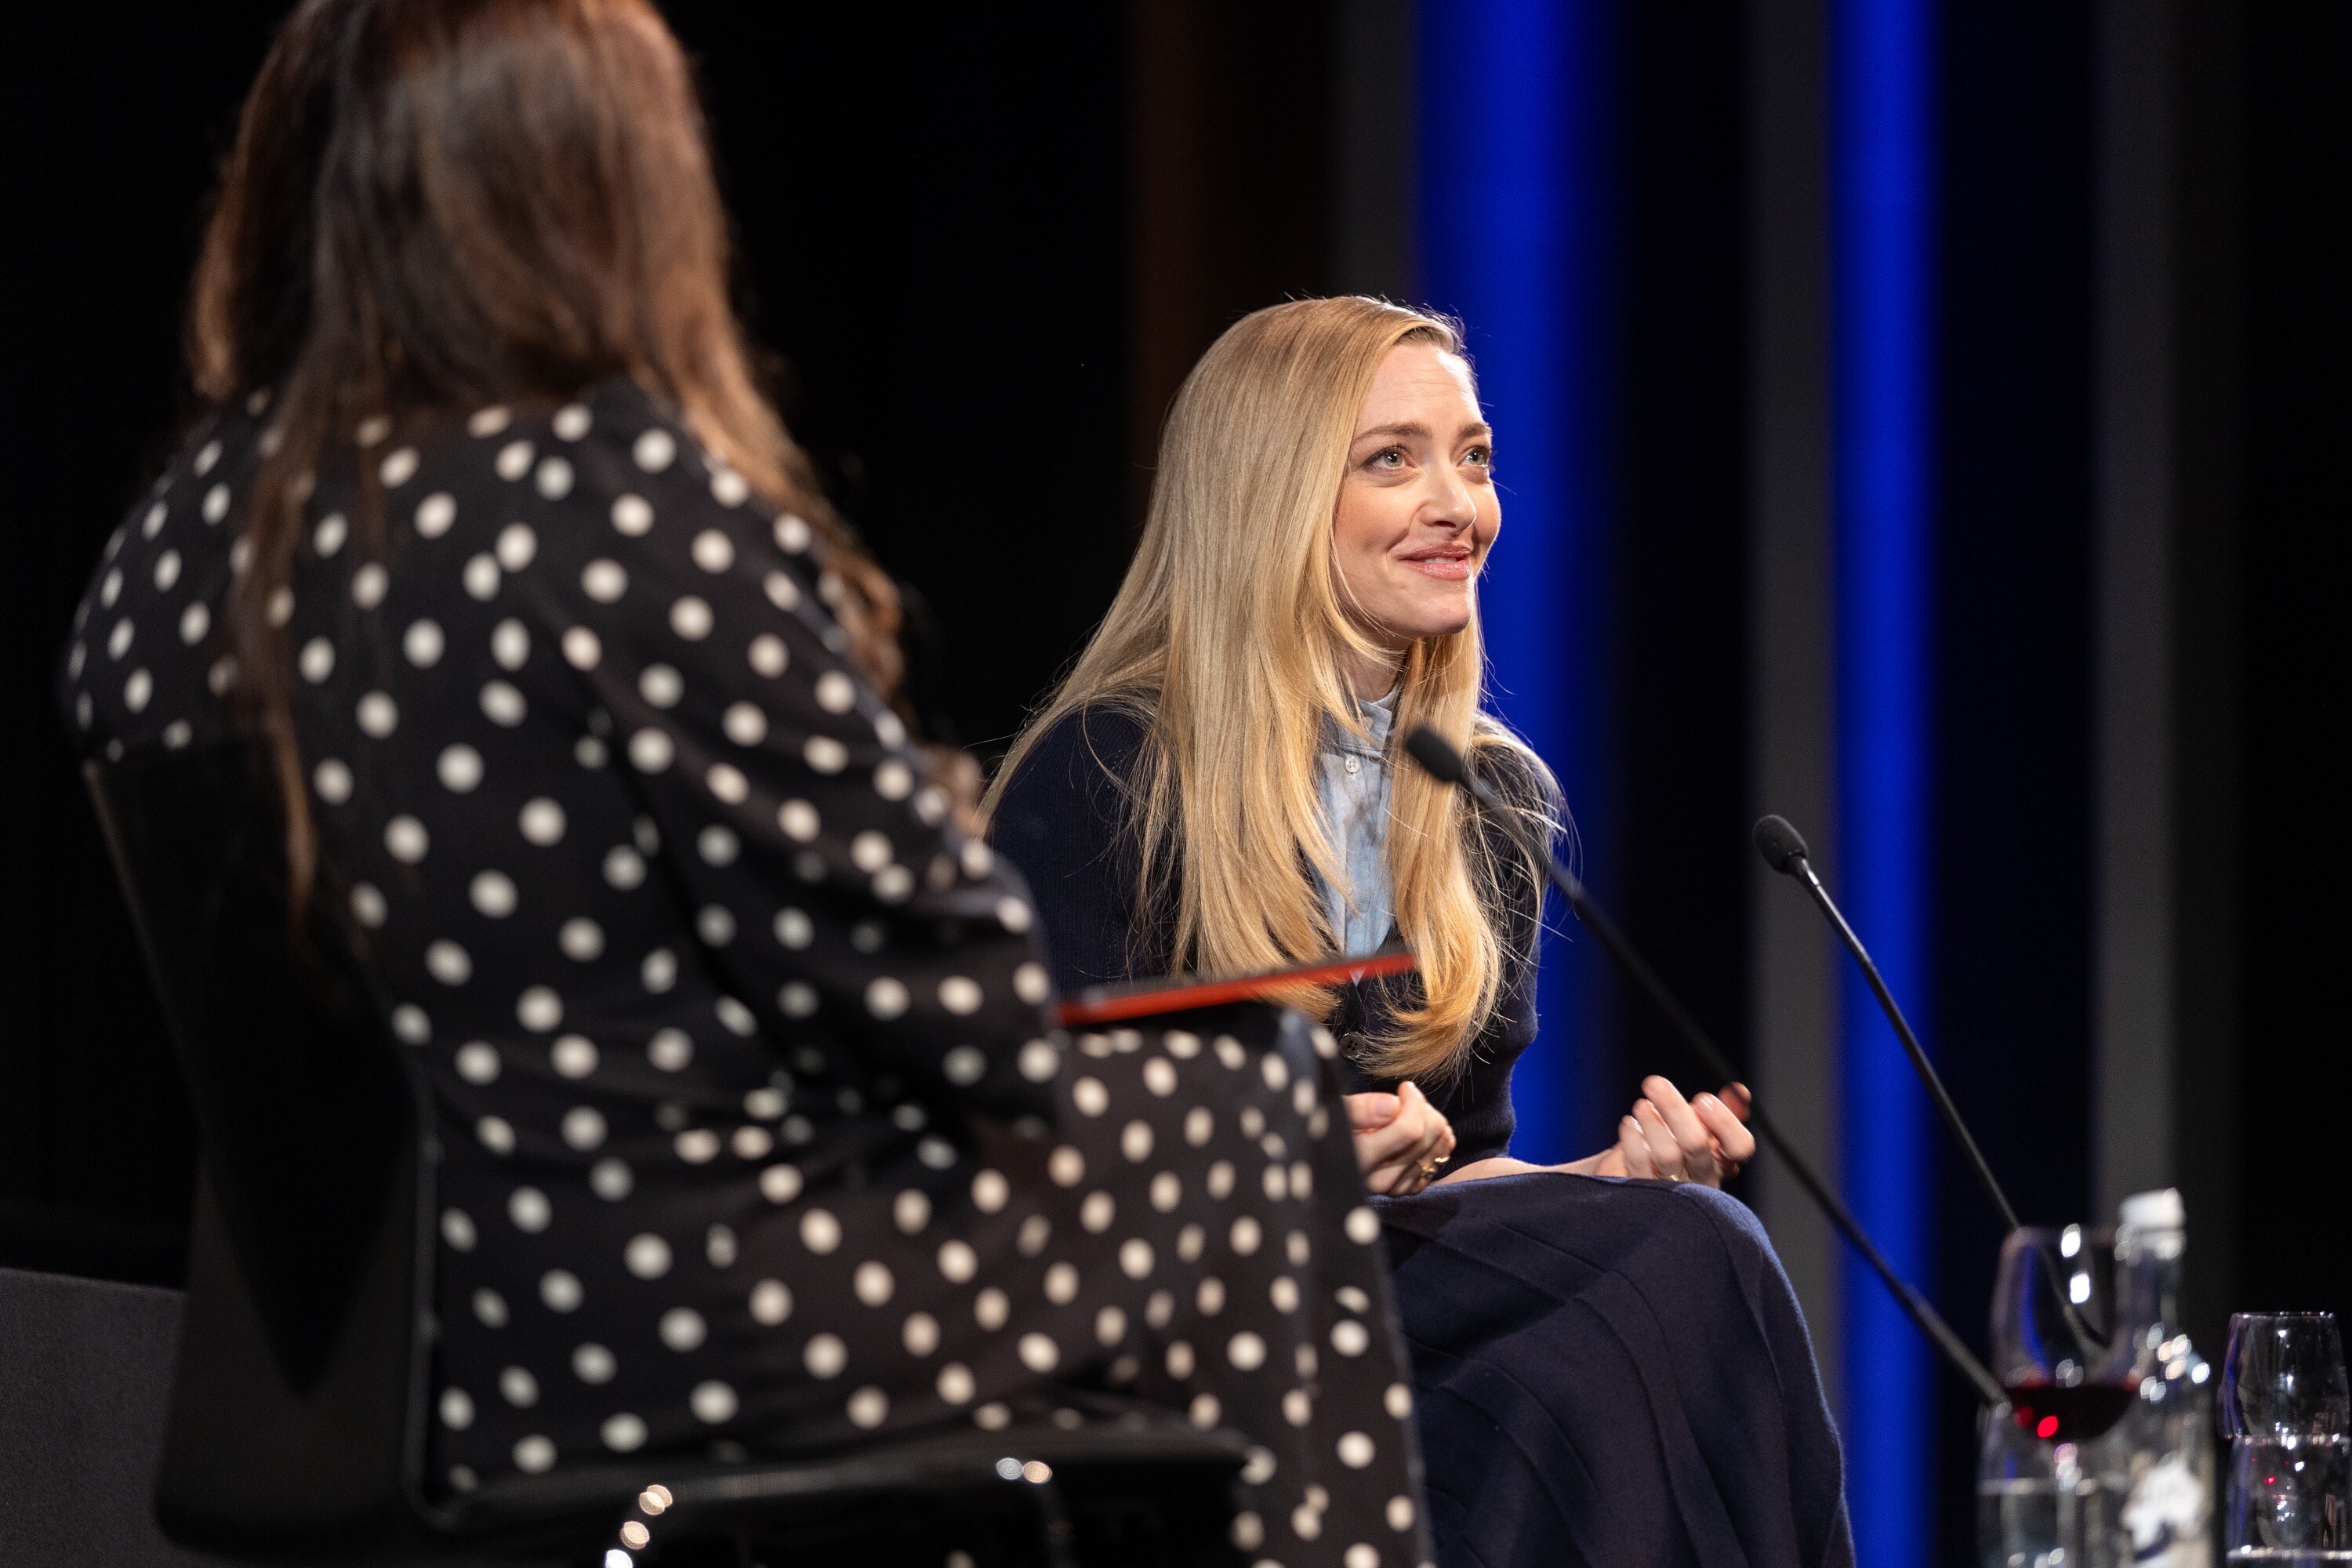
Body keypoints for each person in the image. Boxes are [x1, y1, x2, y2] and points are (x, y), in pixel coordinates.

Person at [57, 7, 1435, 1563]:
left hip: (357, 1356)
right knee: (1247, 1117)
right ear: (602, 185)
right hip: (673, 1313)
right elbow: (951, 994)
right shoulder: (607, 504)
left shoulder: (169, 551)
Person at [988, 297, 1855, 1567]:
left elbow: (1455, 1188)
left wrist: (1605, 1189)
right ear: (1270, 493)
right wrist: (1275, 1172)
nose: (1460, 505)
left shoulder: (1489, 795)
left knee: (1635, 1308)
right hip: (1194, 1341)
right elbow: (1017, 1182)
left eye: (1475, 457)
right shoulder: (1110, 773)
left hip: (1403, 1326)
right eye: (1393, 459)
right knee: (1684, 1268)